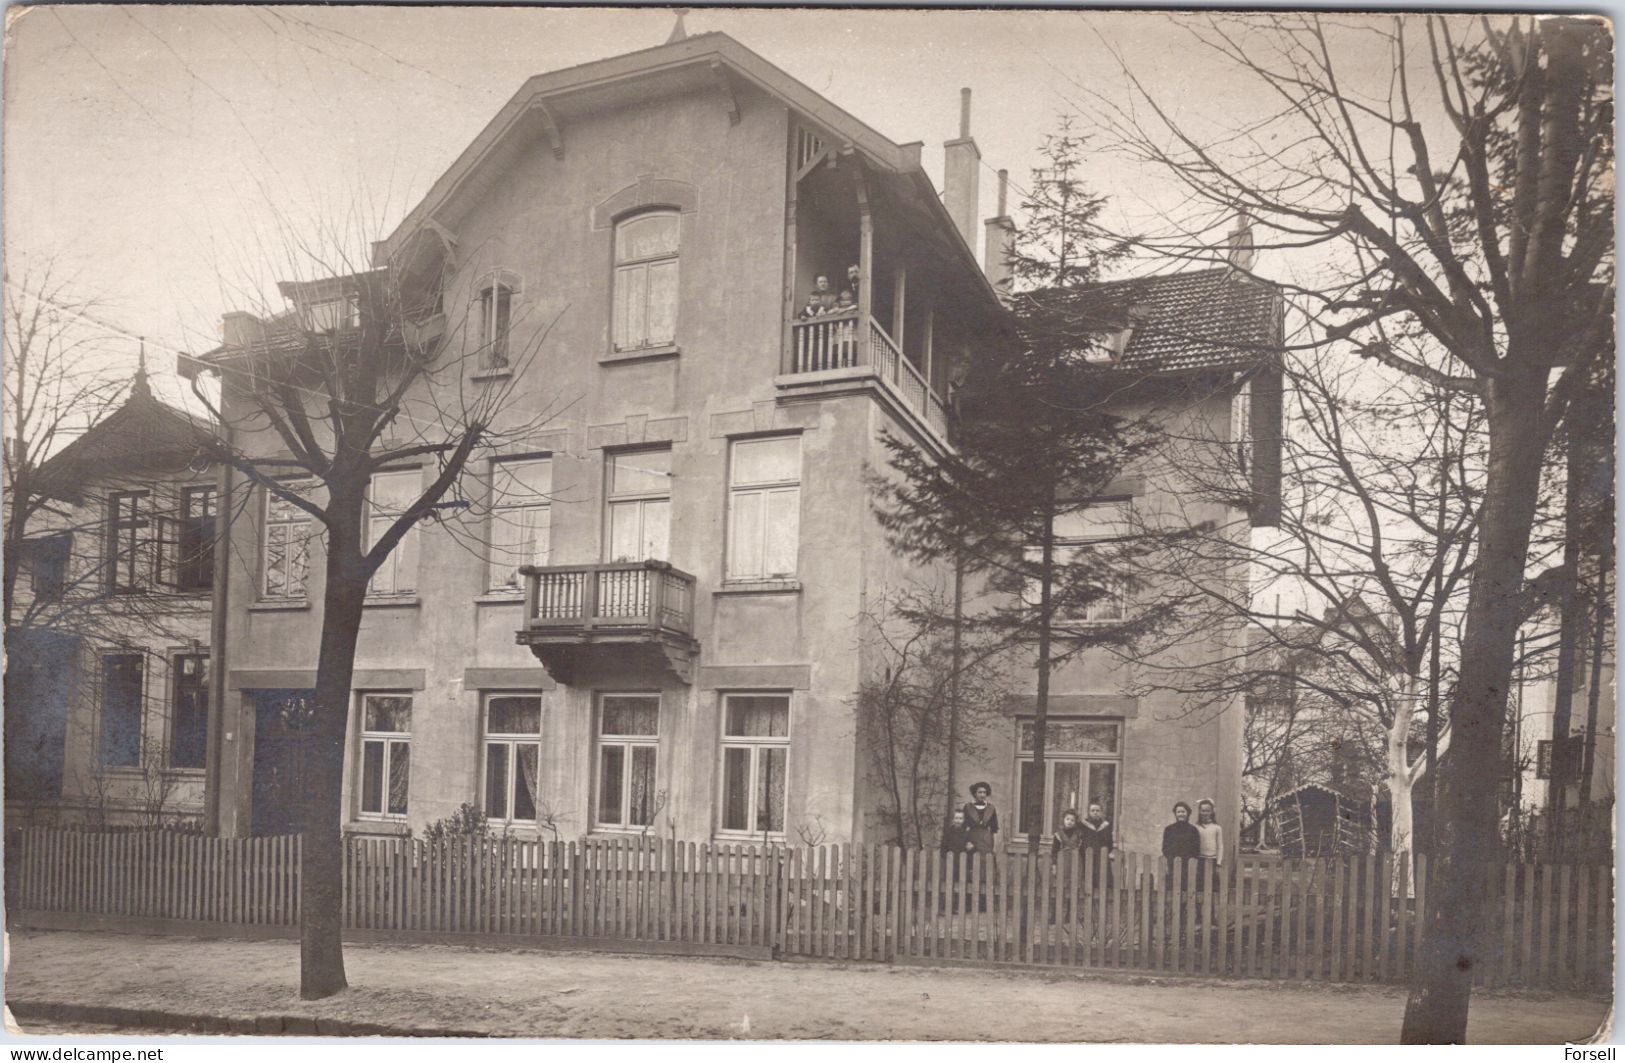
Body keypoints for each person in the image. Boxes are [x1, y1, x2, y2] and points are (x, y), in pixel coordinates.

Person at [1080, 801, 1114, 887]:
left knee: (1103, 879)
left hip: (1102, 856)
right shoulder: (1083, 825)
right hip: (1087, 856)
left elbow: (1110, 843)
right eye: (1093, 810)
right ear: (1089, 812)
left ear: (1101, 812)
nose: (1095, 812)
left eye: (1097, 810)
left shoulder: (1106, 825)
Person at [1194, 797, 1224, 893]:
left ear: (1211, 812)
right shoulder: (1196, 827)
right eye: (1203, 811)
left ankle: (1211, 907)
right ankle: (1198, 907)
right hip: (1200, 859)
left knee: (1213, 887)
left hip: (1213, 859)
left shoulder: (1217, 827)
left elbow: (1220, 846)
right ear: (1199, 812)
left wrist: (1218, 862)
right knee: (1199, 886)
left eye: (1207, 811)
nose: (1205, 813)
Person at [961, 782, 998, 854]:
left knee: (986, 862)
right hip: (972, 839)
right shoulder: (968, 807)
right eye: (980, 792)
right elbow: (963, 827)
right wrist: (966, 842)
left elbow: (994, 829)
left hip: (986, 841)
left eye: (984, 792)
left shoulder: (991, 808)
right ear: (975, 793)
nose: (982, 795)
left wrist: (994, 846)